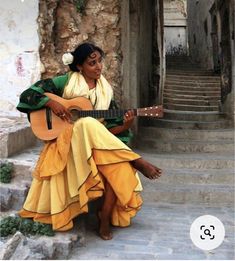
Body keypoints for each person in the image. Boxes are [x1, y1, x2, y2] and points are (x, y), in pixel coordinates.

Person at [16, 42, 162, 240]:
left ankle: (104, 216)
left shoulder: (106, 92)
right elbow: (28, 95)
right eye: (92, 63)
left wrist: (126, 127)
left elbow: (110, 132)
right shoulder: (64, 82)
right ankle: (136, 159)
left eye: (100, 61)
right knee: (87, 123)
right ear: (79, 66)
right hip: (67, 143)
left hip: (94, 144)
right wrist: (51, 103)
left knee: (117, 163)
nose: (99, 67)